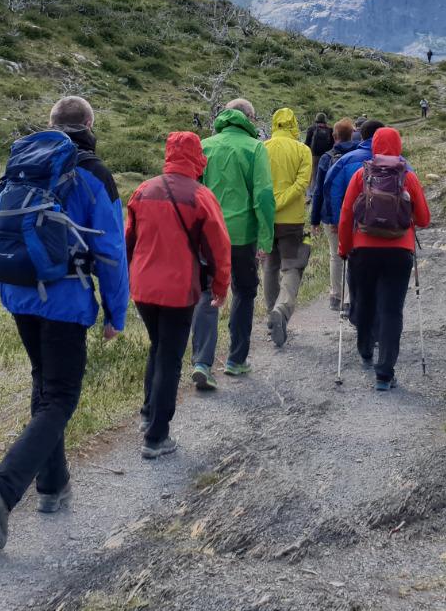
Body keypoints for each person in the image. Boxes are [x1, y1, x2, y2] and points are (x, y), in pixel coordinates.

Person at [0, 96, 127, 550]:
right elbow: (111, 252)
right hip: (65, 298)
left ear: (51, 124)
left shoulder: (16, 168)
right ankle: (3, 488)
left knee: (44, 386)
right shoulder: (93, 174)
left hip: (18, 292)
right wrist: (116, 313)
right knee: (60, 397)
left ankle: (52, 488)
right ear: (90, 124)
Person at [125, 132, 232, 458]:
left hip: (143, 286)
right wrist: (220, 285)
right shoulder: (201, 196)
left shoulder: (143, 190)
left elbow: (128, 239)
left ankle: (148, 414)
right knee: (170, 357)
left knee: (159, 347)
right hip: (178, 287)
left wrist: (130, 276)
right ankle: (157, 437)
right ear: (198, 158)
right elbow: (219, 246)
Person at [338, 127, 431, 391]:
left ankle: (366, 350)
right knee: (391, 310)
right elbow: (423, 219)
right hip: (399, 252)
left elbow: (346, 214)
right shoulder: (408, 176)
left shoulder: (361, 174)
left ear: (374, 145)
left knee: (365, 301)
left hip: (363, 250)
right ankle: (385, 373)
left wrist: (344, 248)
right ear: (399, 145)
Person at [195, 98, 275, 379]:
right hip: (242, 236)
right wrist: (266, 239)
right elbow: (264, 196)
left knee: (206, 292)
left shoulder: (205, 145)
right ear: (250, 119)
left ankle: (202, 362)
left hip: (207, 233)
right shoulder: (255, 148)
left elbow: (195, 192)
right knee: (244, 291)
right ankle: (236, 359)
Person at [262, 108, 313, 348]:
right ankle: (281, 311)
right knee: (292, 267)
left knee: (269, 266)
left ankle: (271, 317)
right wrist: (282, 201)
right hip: (292, 220)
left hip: (265, 218)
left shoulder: (261, 149)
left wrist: (270, 205)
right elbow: (303, 183)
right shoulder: (303, 150)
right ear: (294, 124)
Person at [308, 118, 359, 313]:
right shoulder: (358, 155)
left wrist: (314, 220)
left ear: (334, 136)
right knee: (353, 254)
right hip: (355, 215)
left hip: (330, 215)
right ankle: (349, 298)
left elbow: (319, 191)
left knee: (334, 255)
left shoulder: (326, 158)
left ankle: (335, 296)